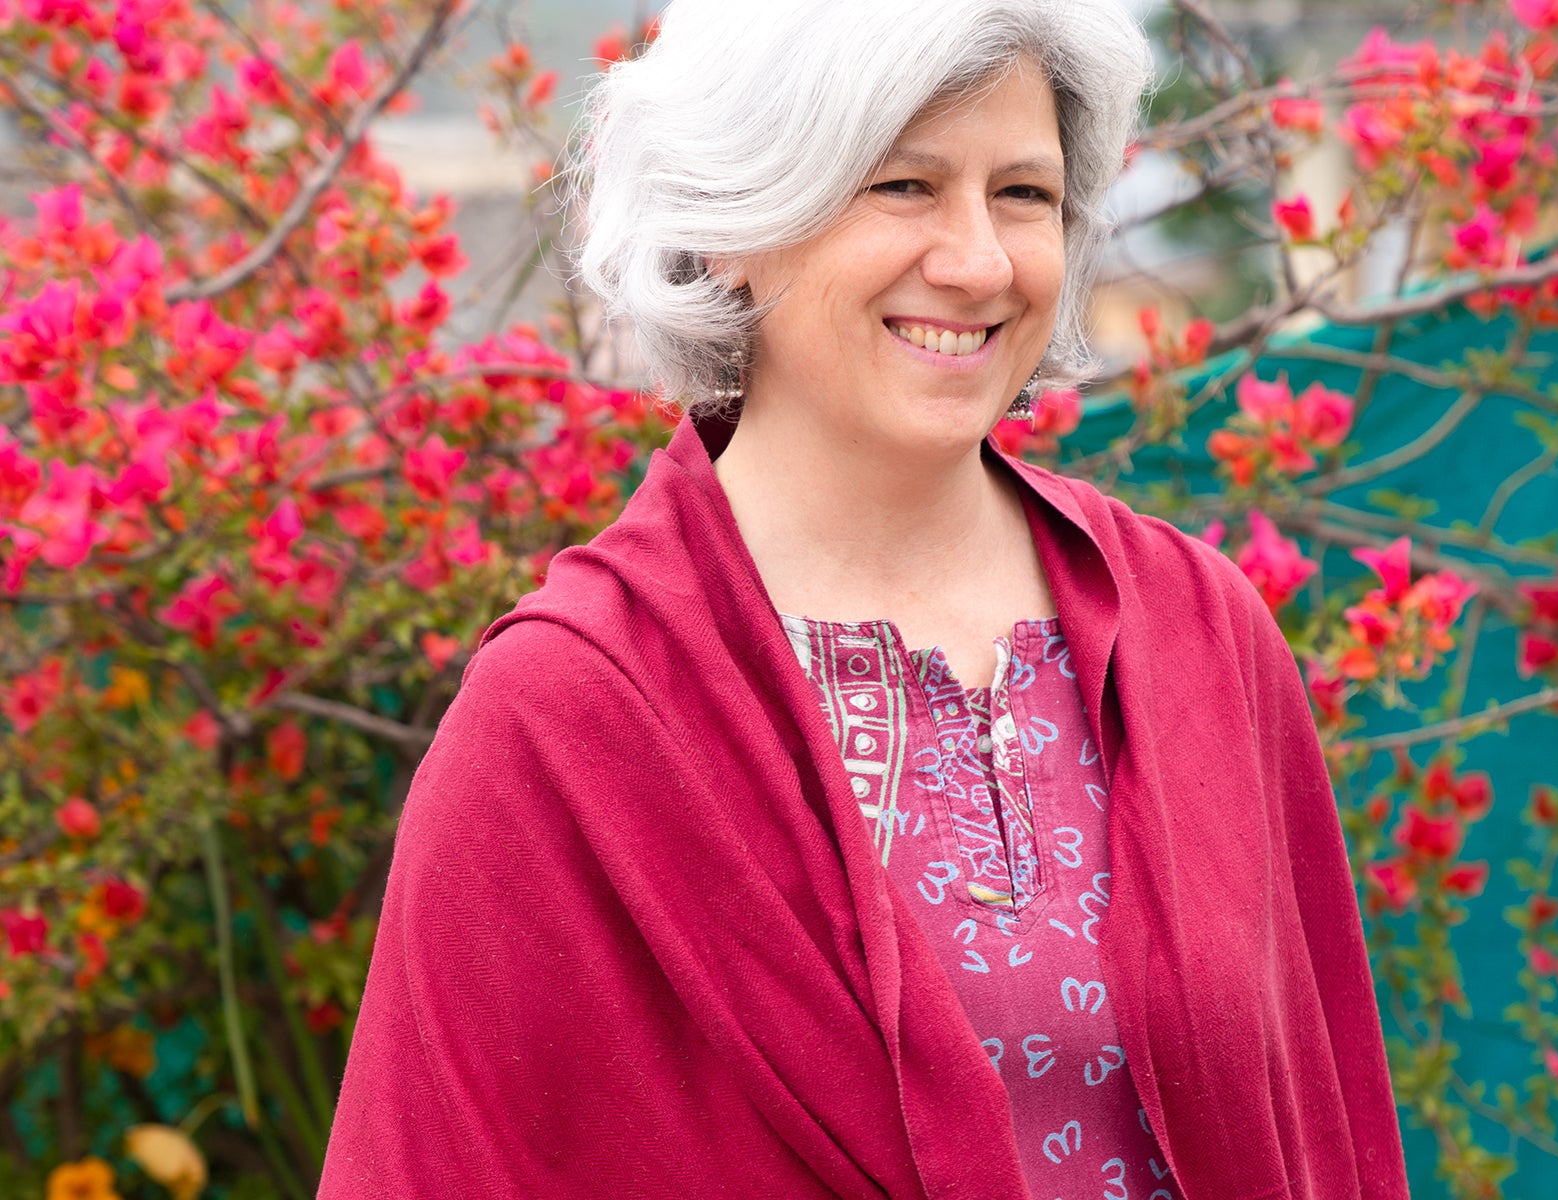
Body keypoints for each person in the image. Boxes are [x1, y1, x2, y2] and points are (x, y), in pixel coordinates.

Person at [317, 1, 1410, 1197]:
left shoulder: (1194, 632)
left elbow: (1329, 1129)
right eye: (901, 186)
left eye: (1022, 195)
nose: (979, 261)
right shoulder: (565, 717)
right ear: (733, 220)